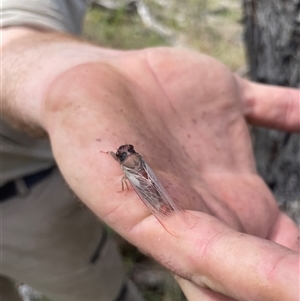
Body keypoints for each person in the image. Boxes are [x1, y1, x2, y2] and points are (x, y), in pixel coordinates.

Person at [1, 1, 299, 301]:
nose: (122, 152)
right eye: (122, 153)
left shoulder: (127, 162)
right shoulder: (128, 163)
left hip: (29, 199)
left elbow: (18, 17)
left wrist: (57, 75)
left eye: (124, 151)